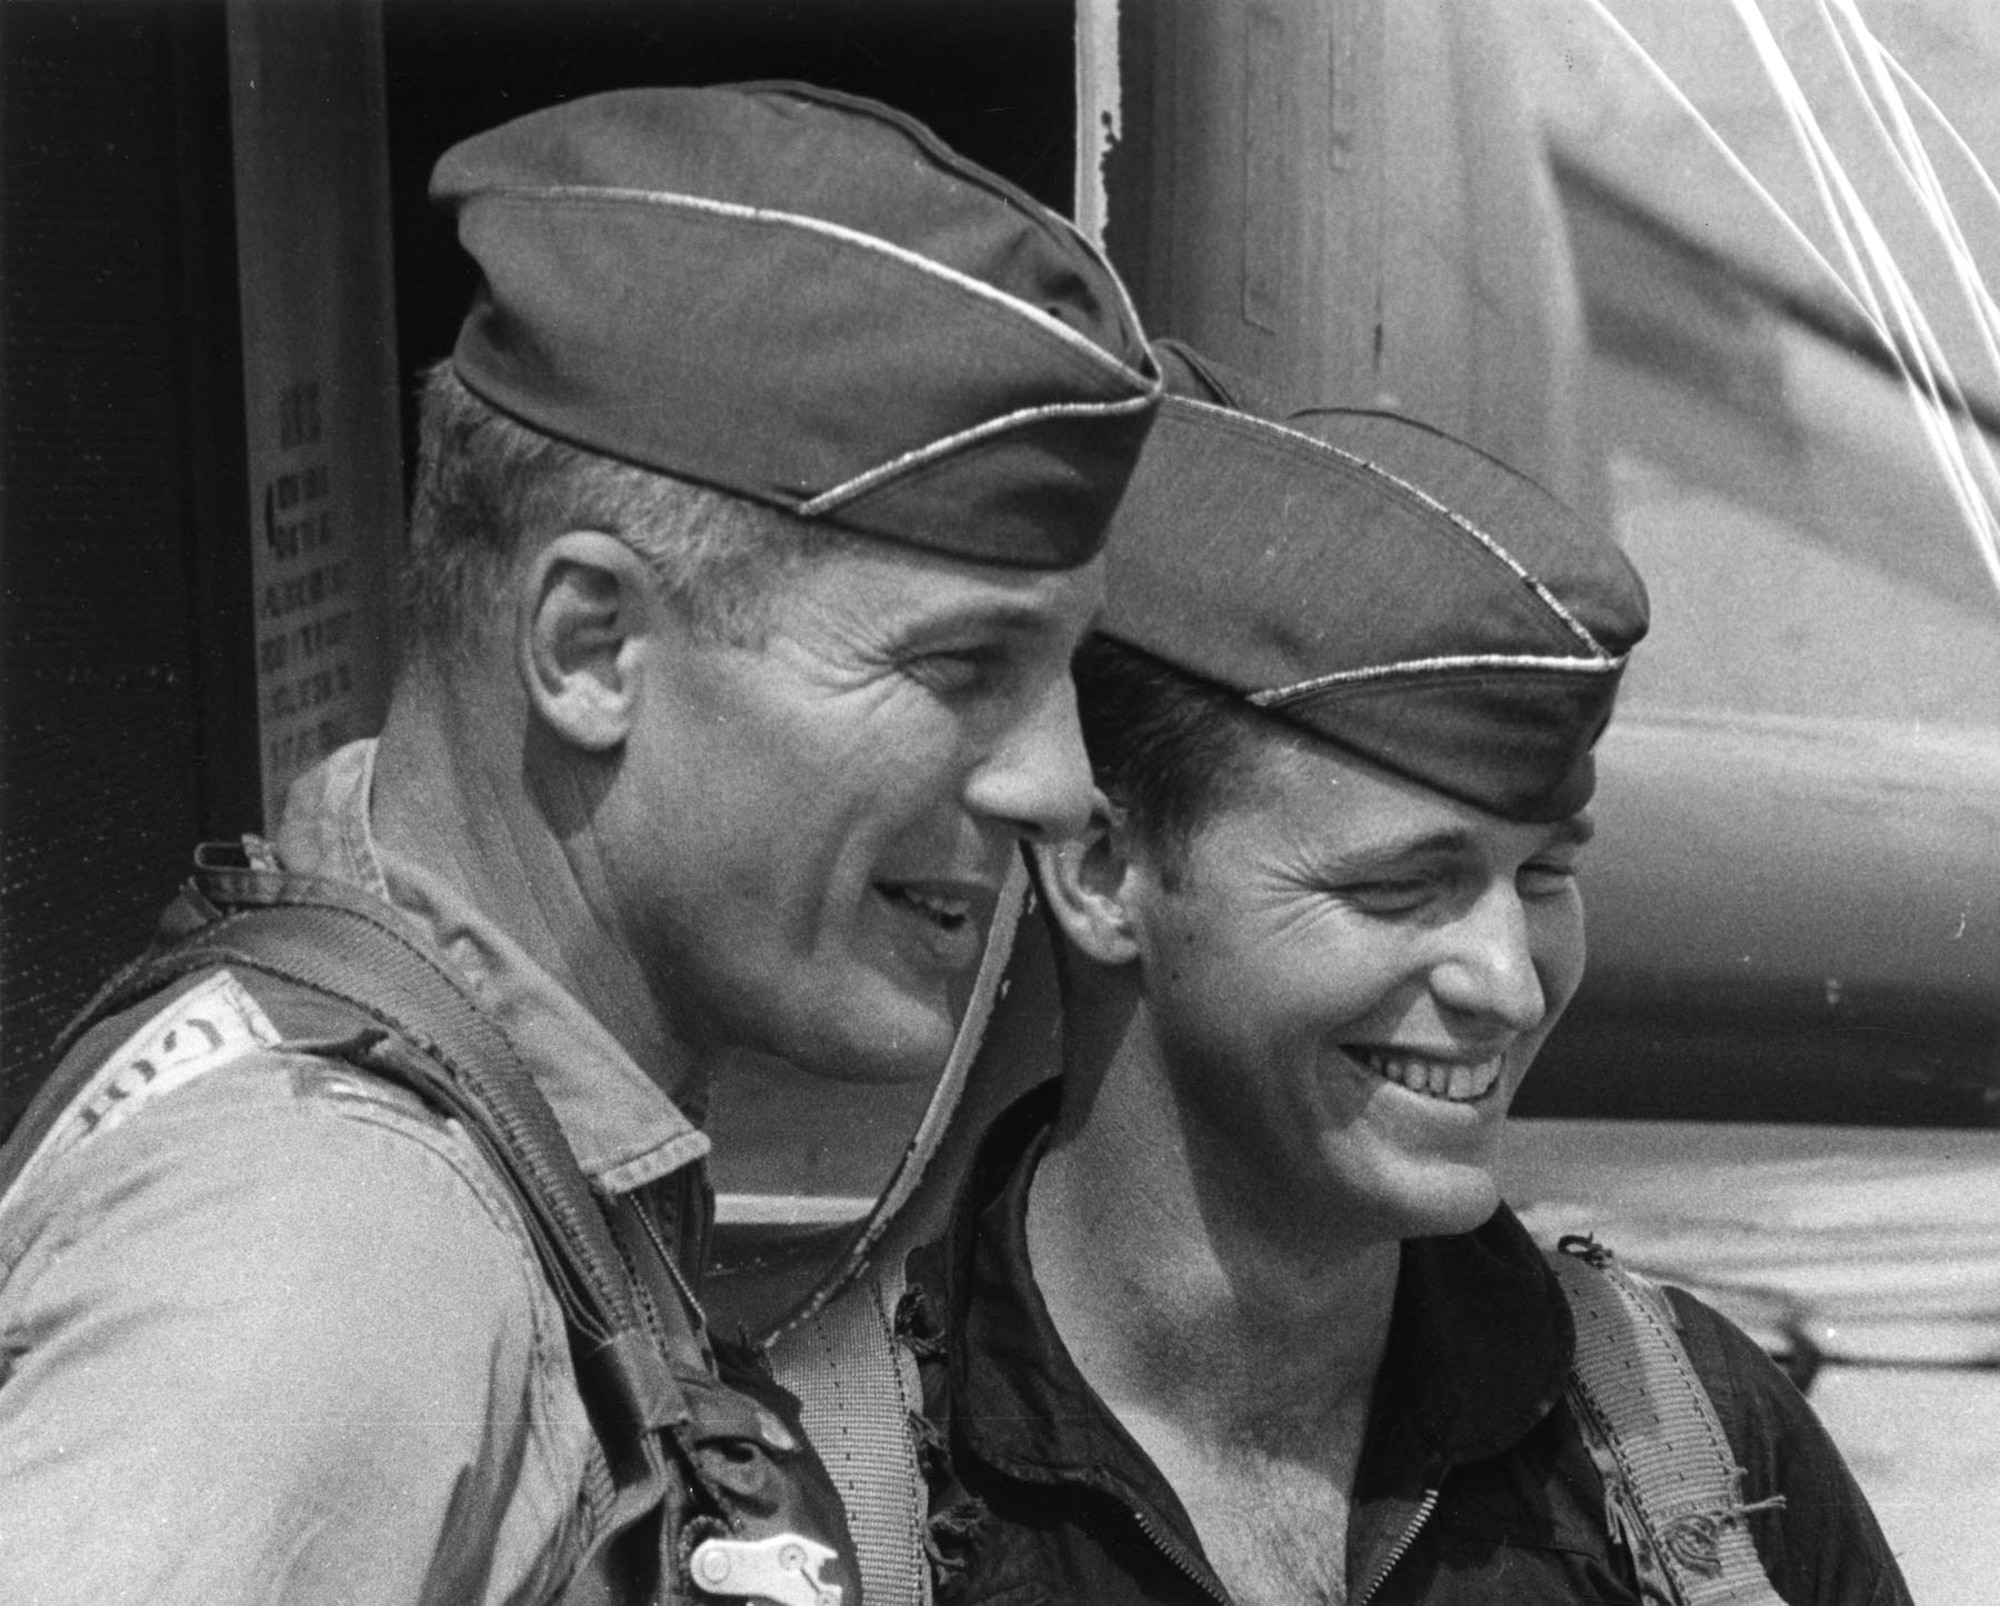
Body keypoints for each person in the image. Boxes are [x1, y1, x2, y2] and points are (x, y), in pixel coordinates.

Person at [0, 84, 1161, 1605]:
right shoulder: (332, 1257)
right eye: (956, 670)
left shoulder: (466, 1148)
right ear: (591, 647)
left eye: (1062, 676)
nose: (1058, 783)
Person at [890, 373, 1912, 1605]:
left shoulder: (1691, 1449)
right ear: (1105, 875)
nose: (1507, 987)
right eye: (1396, 890)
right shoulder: (809, 1511)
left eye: (1540, 875)